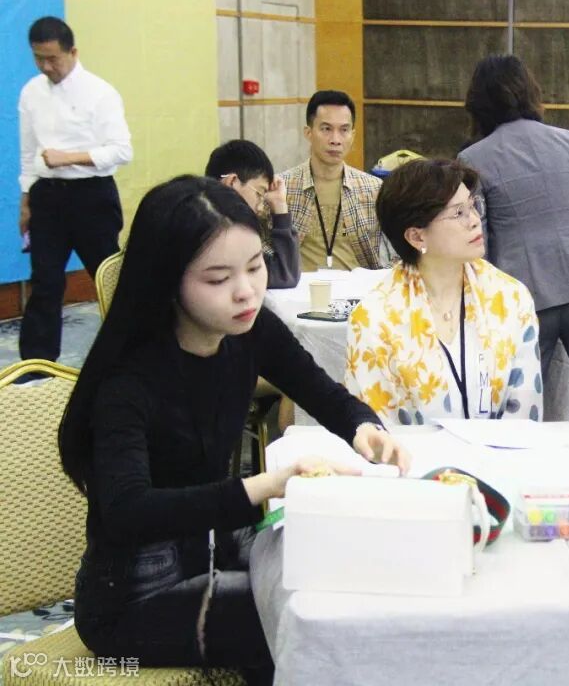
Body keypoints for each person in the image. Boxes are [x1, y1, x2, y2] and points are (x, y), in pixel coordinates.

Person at [59, 176, 409, 684]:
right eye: (218, 279)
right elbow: (127, 512)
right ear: (167, 280)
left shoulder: (250, 328)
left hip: (217, 549)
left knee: (352, 576)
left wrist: (363, 428)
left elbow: (316, 388)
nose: (246, 291)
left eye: (255, 266)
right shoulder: (127, 381)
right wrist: (267, 485)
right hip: (135, 597)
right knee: (319, 623)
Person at [458, 54, 569, 421]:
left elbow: (477, 244)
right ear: (530, 91)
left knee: (516, 412)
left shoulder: (472, 158)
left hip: (521, 299)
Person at [344, 159, 543, 426]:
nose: (475, 221)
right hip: (410, 453)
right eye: (458, 213)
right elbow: (377, 427)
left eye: (473, 206)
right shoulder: (375, 318)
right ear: (417, 237)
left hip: (502, 451)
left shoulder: (510, 298)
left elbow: (524, 412)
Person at [18, 16, 132, 364]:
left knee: (108, 278)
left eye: (53, 58)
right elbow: (28, 152)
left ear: (73, 52)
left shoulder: (100, 93)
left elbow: (121, 151)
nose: (46, 66)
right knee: (45, 282)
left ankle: (129, 354)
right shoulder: (31, 92)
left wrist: (69, 157)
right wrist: (26, 202)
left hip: (91, 196)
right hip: (46, 196)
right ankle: (37, 366)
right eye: (38, 58)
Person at [280, 90, 387, 272]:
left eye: (344, 130)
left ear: (353, 135)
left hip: (356, 288)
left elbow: (394, 251)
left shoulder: (373, 189)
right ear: (308, 133)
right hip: (301, 289)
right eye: (326, 129)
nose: (335, 140)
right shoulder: (283, 188)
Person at [205, 139, 300, 288]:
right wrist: (280, 212)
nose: (261, 208)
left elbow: (283, 274)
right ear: (232, 182)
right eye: (259, 194)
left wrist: (279, 204)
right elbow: (283, 275)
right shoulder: (214, 231)